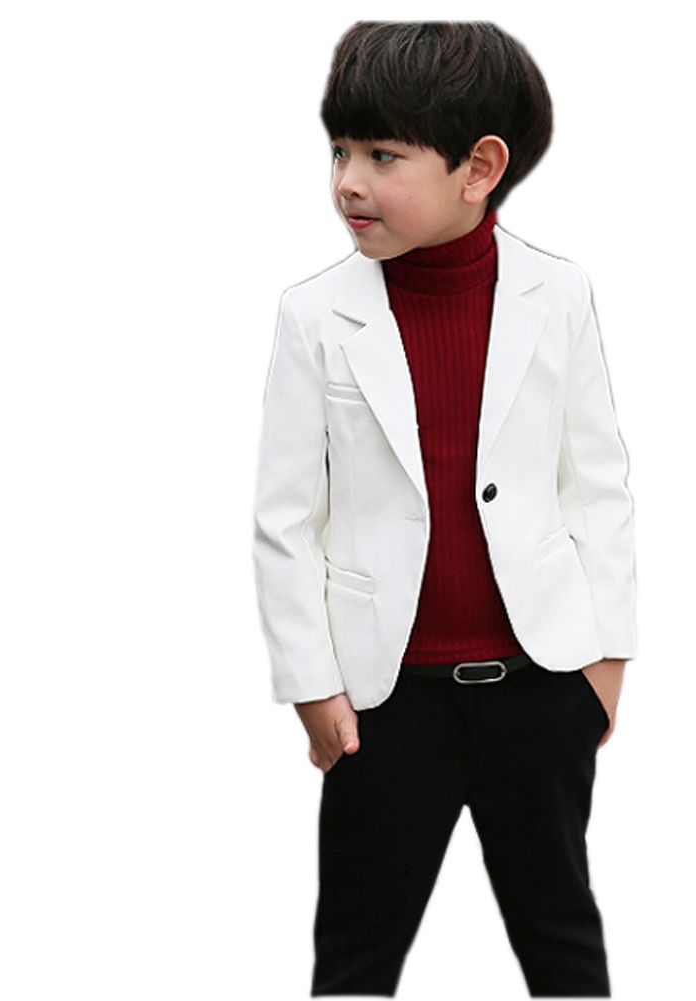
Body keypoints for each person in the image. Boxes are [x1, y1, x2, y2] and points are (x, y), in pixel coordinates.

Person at [252, 20, 637, 998]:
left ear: (479, 169)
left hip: (539, 686)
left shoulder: (558, 295)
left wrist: (603, 665)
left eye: (381, 155)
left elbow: (597, 484)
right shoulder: (313, 315)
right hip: (384, 705)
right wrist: (312, 685)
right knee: (354, 957)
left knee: (562, 943)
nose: (347, 181)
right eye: (339, 150)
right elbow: (284, 518)